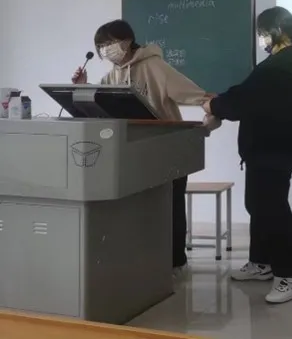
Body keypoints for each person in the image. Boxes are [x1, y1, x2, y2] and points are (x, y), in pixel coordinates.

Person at [72, 19, 214, 275]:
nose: (105, 50)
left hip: (167, 149)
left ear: (127, 41)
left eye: (109, 43)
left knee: (170, 207)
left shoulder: (155, 67)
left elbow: (194, 94)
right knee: (143, 210)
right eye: (100, 46)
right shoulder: (113, 75)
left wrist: (211, 113)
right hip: (134, 153)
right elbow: (101, 107)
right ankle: (147, 260)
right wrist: (83, 87)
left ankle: (175, 262)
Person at [203, 7, 292, 305]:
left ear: (278, 31)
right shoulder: (284, 61)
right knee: (258, 203)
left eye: (263, 32)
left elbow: (246, 98)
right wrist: (221, 103)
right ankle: (262, 262)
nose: (261, 38)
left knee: (271, 207)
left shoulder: (284, 65)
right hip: (266, 146)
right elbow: (249, 95)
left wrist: (215, 106)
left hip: (275, 147)